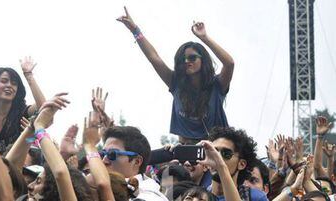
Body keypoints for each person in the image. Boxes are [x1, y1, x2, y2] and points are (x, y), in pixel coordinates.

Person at [117, 7, 234, 141]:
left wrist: (204, 37)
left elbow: (229, 63)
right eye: (182, 60)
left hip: (216, 150)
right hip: (186, 152)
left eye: (192, 58)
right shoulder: (176, 83)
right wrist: (135, 30)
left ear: (203, 60)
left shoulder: (217, 85)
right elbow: (154, 58)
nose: (186, 62)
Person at [0, 57, 46, 153]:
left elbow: (44, 107)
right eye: (4, 81)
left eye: (14, 83)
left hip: (16, 165)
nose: (9, 85)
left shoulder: (22, 113)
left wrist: (28, 75)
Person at [199, 127, 268, 201]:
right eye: (214, 151)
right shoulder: (198, 195)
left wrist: (221, 167)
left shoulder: (255, 197)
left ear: (241, 164)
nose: (217, 157)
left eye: (226, 154)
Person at [102, 126, 169, 200]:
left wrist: (90, 145)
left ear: (137, 161)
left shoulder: (149, 197)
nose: (104, 161)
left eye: (112, 154)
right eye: (102, 154)